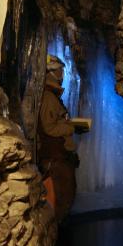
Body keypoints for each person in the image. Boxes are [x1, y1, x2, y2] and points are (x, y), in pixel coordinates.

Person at [38, 54, 78, 222]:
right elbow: (49, 127)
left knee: (64, 197)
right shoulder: (48, 97)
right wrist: (71, 126)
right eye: (61, 70)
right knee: (60, 200)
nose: (63, 73)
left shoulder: (53, 96)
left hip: (60, 156)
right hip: (56, 158)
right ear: (52, 72)